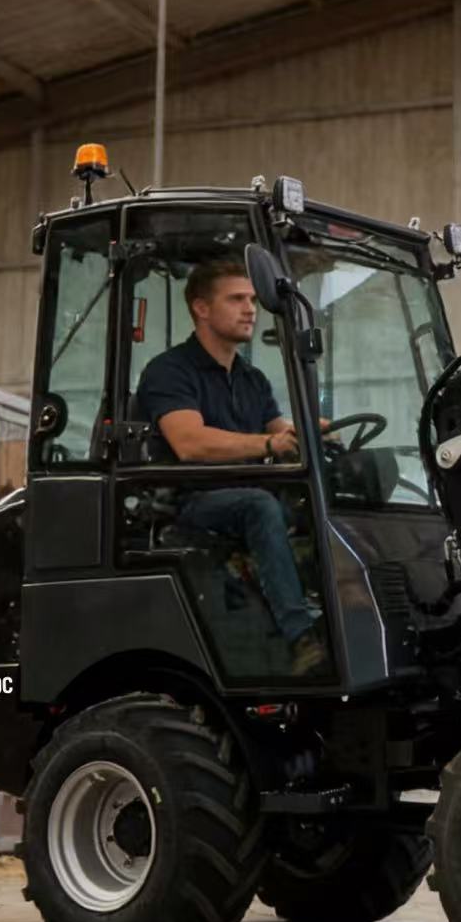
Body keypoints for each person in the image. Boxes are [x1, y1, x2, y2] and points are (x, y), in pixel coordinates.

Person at [136, 258, 326, 675]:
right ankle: (301, 638)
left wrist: (312, 432)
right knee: (259, 506)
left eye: (253, 299)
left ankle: (338, 613)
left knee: (330, 496)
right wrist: (268, 443)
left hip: (247, 493)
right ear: (201, 308)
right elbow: (189, 443)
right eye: (237, 299)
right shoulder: (169, 372)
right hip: (191, 501)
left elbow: (278, 429)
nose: (250, 309)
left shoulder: (251, 379)